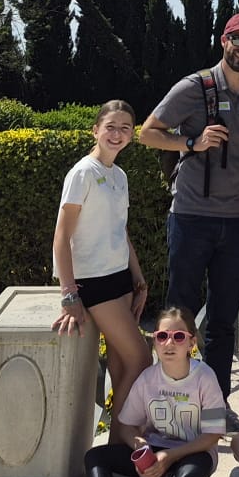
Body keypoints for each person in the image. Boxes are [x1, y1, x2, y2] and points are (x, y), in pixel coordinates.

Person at [140, 11, 239, 409]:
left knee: (223, 320)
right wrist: (192, 142)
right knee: (178, 315)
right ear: (223, 41)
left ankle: (216, 406)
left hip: (235, 221)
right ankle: (171, 400)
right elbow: (147, 133)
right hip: (192, 217)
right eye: (238, 40)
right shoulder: (194, 87)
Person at [79, 306, 227, 477]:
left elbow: (213, 434)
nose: (169, 344)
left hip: (193, 451)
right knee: (95, 457)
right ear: (155, 342)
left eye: (178, 337)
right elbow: (127, 426)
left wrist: (169, 457)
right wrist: (139, 445)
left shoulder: (205, 377)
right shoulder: (148, 378)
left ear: (192, 343)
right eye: (162, 336)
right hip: (155, 449)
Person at [52, 100, 151, 425]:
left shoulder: (118, 175)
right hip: (94, 283)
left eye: (125, 128)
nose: (117, 133)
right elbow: (62, 236)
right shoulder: (82, 173)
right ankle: (123, 437)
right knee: (141, 358)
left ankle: (118, 446)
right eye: (111, 126)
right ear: (95, 130)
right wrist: (69, 295)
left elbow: (119, 230)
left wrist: (138, 278)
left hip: (120, 278)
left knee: (123, 365)